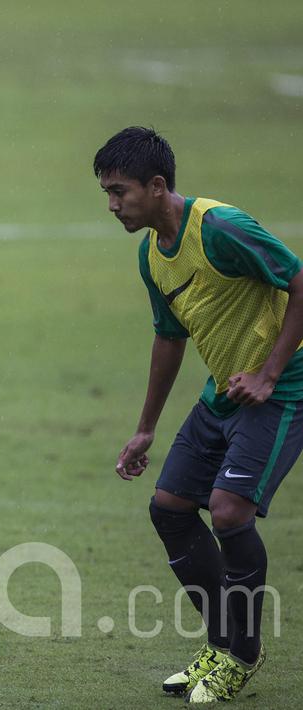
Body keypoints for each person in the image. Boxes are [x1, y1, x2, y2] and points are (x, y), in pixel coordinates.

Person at [97, 127, 303, 703]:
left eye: (120, 192)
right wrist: (145, 428)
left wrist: (267, 374)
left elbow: (300, 282)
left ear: (157, 186)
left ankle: (242, 654)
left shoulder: (221, 228)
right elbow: (168, 339)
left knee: (230, 510)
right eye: (107, 194)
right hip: (224, 393)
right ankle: (220, 644)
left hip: (286, 386)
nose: (113, 206)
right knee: (169, 508)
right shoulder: (152, 257)